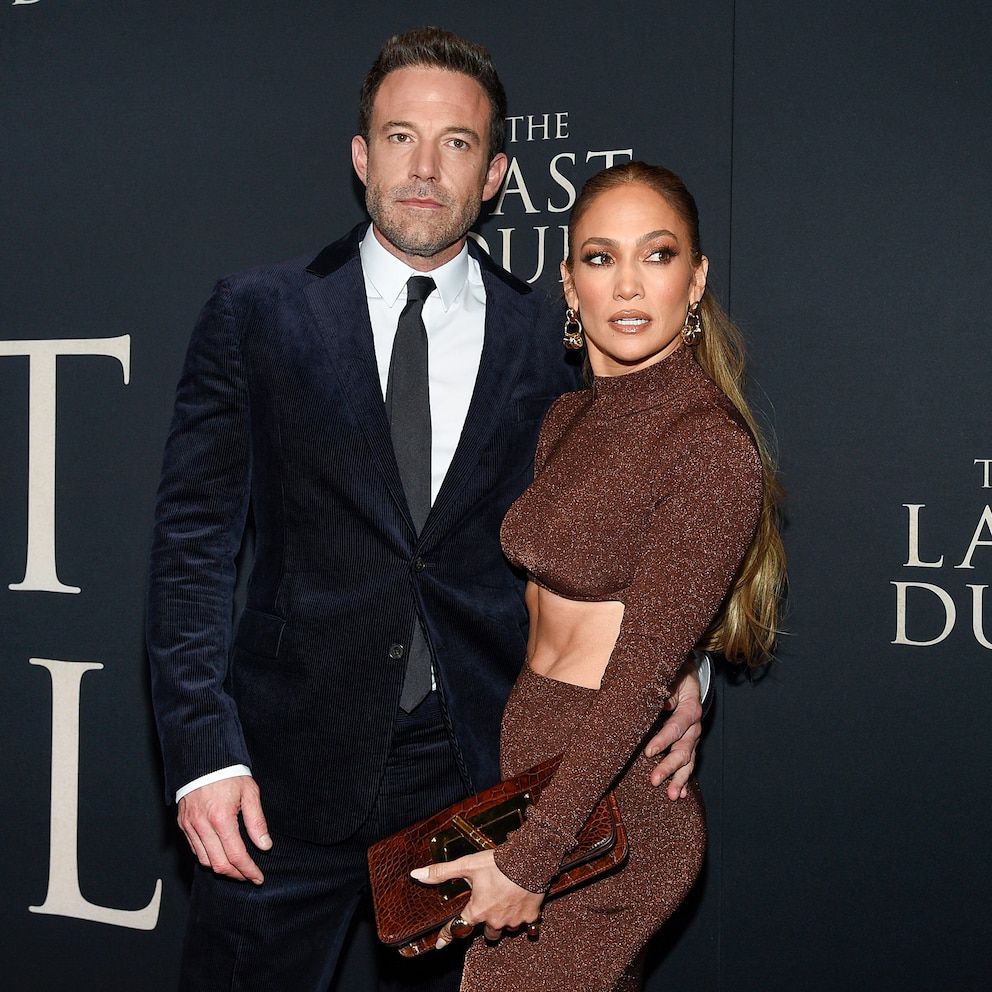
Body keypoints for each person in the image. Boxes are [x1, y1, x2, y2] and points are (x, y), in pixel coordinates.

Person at [146, 29, 709, 992]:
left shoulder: (552, 336)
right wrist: (203, 755)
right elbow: (191, 549)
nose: (423, 167)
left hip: (481, 780)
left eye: (456, 143)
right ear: (361, 156)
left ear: (493, 176)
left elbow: (652, 508)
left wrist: (685, 671)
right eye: (400, 136)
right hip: (279, 781)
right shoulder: (258, 313)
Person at [414, 162, 786, 991]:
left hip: (609, 812)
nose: (627, 285)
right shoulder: (567, 418)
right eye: (599, 257)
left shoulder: (709, 447)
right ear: (569, 285)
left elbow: (639, 674)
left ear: (696, 280)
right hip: (539, 783)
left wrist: (533, 857)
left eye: (656, 255)